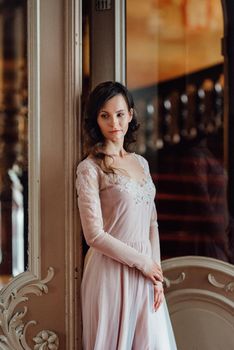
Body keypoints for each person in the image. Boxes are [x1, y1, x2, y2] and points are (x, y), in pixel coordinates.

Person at [76, 81, 178, 350]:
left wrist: (155, 272)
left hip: (145, 270)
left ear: (130, 114)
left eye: (120, 114)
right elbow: (94, 235)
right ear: (95, 120)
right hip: (109, 270)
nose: (114, 123)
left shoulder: (141, 163)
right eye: (104, 115)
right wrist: (142, 263)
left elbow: (152, 222)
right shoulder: (89, 169)